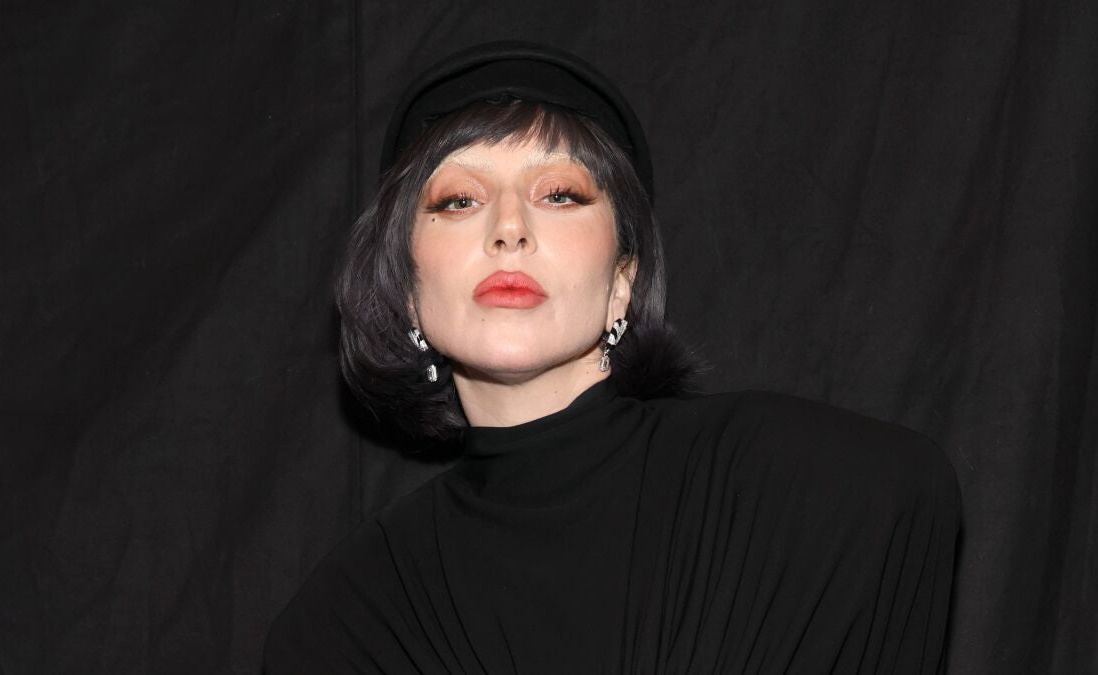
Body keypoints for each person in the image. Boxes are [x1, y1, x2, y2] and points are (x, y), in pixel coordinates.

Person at [264, 41, 960, 674]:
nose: (509, 228)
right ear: (408, 289)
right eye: (459, 200)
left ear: (624, 278)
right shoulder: (348, 624)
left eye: (559, 194)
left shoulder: (807, 494)